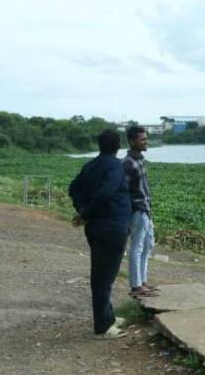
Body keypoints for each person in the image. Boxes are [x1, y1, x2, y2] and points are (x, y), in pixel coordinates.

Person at [68, 129, 132, 339]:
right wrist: (86, 212)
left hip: (97, 227)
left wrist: (82, 210)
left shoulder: (91, 165)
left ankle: (108, 315)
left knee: (104, 274)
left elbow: (73, 188)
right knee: (103, 277)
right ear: (119, 144)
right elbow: (107, 192)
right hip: (111, 227)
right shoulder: (115, 166)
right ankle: (103, 326)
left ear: (99, 144)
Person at [123, 126, 159, 298]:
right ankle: (136, 285)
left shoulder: (139, 160)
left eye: (146, 138)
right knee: (136, 247)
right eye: (142, 139)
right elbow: (123, 190)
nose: (146, 142)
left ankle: (142, 281)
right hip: (137, 210)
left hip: (146, 209)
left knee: (148, 245)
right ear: (132, 141)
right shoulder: (128, 163)